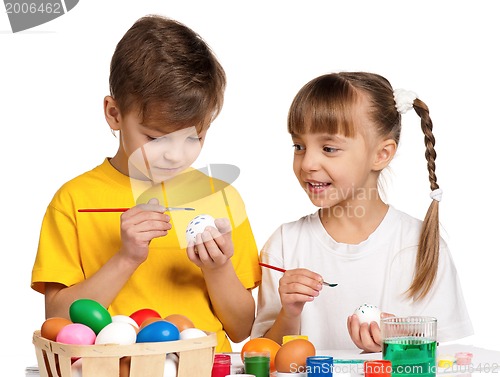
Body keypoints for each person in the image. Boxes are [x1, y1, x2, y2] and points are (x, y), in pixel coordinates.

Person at [31, 15, 261, 352]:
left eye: (193, 138)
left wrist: (219, 269)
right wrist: (126, 257)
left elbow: (241, 328)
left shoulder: (221, 198)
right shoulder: (74, 200)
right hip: (115, 369)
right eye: (155, 138)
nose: (175, 156)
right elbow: (58, 322)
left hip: (205, 367)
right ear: (114, 114)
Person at [251, 72, 473, 352]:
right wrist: (289, 312)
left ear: (381, 154)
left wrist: (399, 338)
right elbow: (262, 355)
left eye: (329, 148)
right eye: (299, 146)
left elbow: (444, 358)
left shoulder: (422, 245)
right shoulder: (285, 243)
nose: (307, 163)